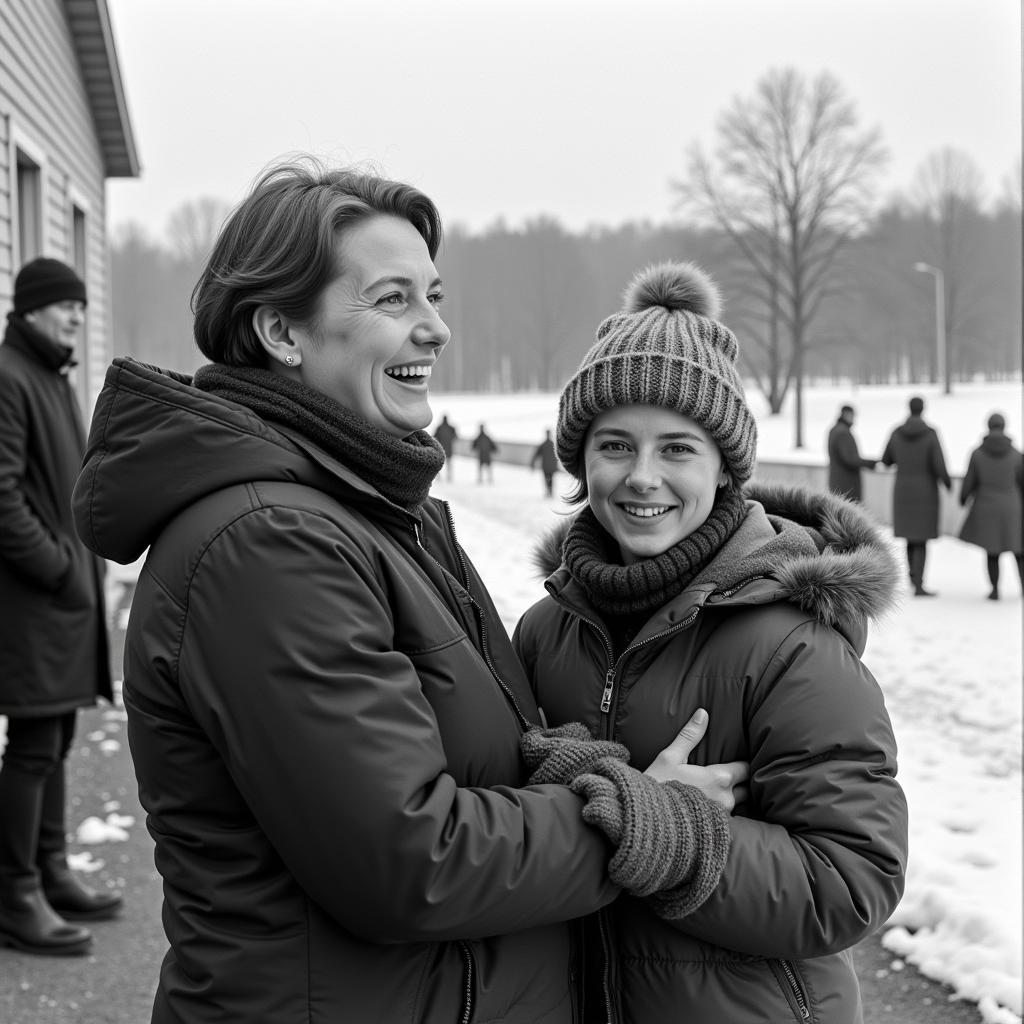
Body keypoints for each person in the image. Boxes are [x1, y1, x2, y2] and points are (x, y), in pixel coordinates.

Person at [71, 161, 741, 1022]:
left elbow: (474, 754)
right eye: (393, 300)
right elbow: (409, 863)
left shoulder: (380, 511)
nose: (434, 330)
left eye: (435, 296)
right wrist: (647, 820)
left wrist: (575, 763)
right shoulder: (270, 545)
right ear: (281, 330)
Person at [513, 261, 908, 1024]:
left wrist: (681, 839)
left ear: (726, 467)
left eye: (678, 450)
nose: (642, 478)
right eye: (615, 445)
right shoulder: (544, 629)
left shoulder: (790, 643)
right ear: (579, 459)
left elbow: (855, 878)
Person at [0, 257, 122, 957]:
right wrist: (59, 569)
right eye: (65, 305)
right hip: (31, 602)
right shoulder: (11, 377)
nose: (77, 314)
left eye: (81, 304)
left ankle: (47, 872)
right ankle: (15, 893)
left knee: (55, 741)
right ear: (32, 309)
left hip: (59, 599)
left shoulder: (48, 374)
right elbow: (3, 499)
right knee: (34, 746)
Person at [881, 395, 952, 596]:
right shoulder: (930, 434)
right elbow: (939, 464)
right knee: (921, 538)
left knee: (911, 537)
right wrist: (947, 482)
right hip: (925, 491)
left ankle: (913, 578)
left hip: (903, 490)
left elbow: (886, 460)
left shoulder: (896, 432)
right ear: (923, 409)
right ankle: (919, 583)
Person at [958, 412, 1023, 600]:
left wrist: (963, 498)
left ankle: (995, 590)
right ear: (1003, 426)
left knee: (992, 551)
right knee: (1019, 550)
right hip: (1012, 508)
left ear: (988, 426)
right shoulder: (1016, 455)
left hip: (986, 507)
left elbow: (969, 481)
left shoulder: (977, 454)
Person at [827, 403, 877, 501]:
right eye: (852, 415)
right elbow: (850, 459)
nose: (853, 418)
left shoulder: (835, 430)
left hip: (837, 483)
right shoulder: (843, 433)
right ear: (845, 415)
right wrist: (871, 463)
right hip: (846, 485)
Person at [531, 428, 558, 496]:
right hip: (550, 466)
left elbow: (536, 455)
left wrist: (532, 463)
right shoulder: (553, 444)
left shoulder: (544, 444)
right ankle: (550, 491)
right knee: (550, 479)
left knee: (547, 479)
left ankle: (549, 491)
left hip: (546, 466)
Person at [432, 412, 457, 480]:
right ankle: (449, 476)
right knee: (448, 464)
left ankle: (440, 477)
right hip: (448, 449)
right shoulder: (451, 428)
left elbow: (434, 436)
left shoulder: (439, 427)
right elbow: (455, 436)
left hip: (441, 448)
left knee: (439, 463)